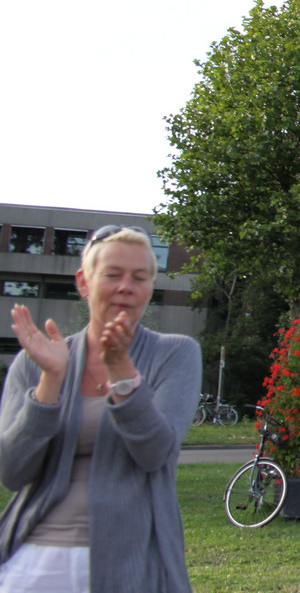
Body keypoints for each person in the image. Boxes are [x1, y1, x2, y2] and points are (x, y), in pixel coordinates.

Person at [0, 225, 202, 593]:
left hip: (131, 561)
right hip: (33, 558)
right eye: (112, 274)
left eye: (139, 277)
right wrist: (50, 382)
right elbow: (12, 472)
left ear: (150, 288)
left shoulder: (175, 353)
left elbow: (156, 454)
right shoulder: (33, 362)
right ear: (84, 282)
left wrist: (122, 374)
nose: (126, 286)